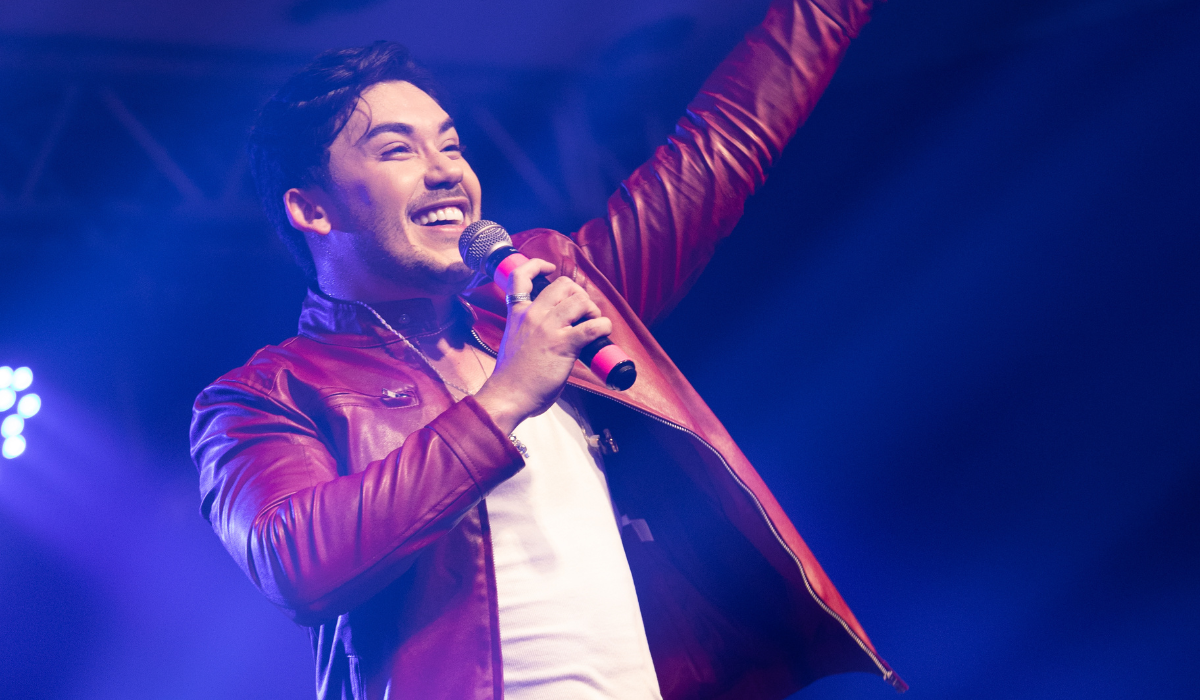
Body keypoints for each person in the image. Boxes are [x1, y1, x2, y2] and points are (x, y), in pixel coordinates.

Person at [190, 0, 905, 698]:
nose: (446, 171)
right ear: (312, 208)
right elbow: (296, 564)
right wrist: (502, 399)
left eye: (450, 144)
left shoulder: (544, 296)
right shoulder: (265, 393)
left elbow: (721, 147)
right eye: (398, 150)